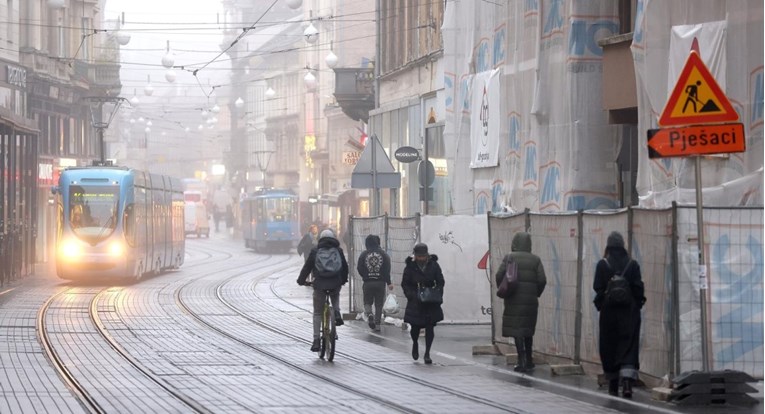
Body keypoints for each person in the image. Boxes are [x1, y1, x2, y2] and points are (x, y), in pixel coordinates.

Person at [593, 231, 645, 399]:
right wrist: (637, 305)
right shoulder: (632, 264)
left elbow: (598, 288)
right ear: (623, 246)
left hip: (608, 313)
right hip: (629, 313)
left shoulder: (602, 264)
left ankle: (613, 383)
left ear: (608, 246)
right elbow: (638, 289)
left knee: (609, 346)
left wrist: (601, 304)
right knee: (628, 345)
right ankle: (628, 383)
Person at [494, 232, 547, 373]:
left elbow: (499, 275)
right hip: (531, 301)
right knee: (528, 330)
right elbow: (542, 280)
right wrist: (535, 293)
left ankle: (521, 360)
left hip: (513, 300)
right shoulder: (536, 260)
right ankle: (529, 360)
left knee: (518, 330)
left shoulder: (510, 257)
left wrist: (505, 290)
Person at [296, 229, 349, 352]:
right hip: (335, 282)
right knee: (335, 295)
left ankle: (316, 340)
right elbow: (345, 267)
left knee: (317, 313)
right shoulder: (339, 251)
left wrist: (301, 280)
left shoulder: (315, 251)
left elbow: (307, 267)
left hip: (319, 284)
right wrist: (343, 280)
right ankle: (336, 312)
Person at [401, 243, 444, 364]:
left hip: (430, 301)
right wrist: (411, 295)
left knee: (430, 327)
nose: (421, 258)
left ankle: (427, 353)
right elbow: (405, 283)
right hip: (415, 301)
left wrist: (437, 293)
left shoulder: (434, 265)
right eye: (419, 256)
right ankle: (415, 343)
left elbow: (440, 281)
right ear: (415, 255)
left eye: (423, 256)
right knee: (415, 328)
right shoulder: (410, 266)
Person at [357, 234, 393, 331]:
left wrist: (365, 276)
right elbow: (387, 269)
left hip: (368, 282)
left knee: (367, 302)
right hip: (380, 283)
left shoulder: (364, 254)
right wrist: (389, 282)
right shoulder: (384, 254)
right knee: (379, 303)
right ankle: (377, 324)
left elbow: (359, 267)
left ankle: (369, 314)